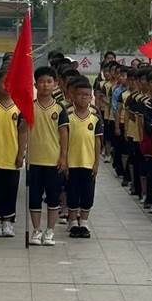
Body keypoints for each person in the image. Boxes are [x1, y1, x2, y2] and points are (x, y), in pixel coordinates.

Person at [0, 71, 28, 237]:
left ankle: (8, 221)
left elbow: (22, 132)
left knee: (11, 189)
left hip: (12, 157)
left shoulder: (19, 107)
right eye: (4, 83)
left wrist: (21, 154)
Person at [28, 66, 69, 246]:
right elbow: (22, 131)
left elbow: (64, 134)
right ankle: (36, 230)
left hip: (53, 160)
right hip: (34, 160)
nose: (45, 85)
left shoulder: (59, 109)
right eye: (41, 82)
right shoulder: (29, 107)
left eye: (49, 82)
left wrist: (63, 157)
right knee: (34, 198)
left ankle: (50, 231)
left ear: (55, 84)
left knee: (53, 197)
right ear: (35, 84)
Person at [65, 76, 103, 238]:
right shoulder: (68, 116)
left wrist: (96, 163)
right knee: (72, 192)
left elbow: (97, 142)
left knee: (87, 193)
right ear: (73, 96)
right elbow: (63, 140)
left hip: (88, 162)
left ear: (91, 97)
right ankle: (73, 221)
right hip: (72, 162)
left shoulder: (95, 117)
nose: (83, 98)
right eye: (80, 94)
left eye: (87, 95)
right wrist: (64, 161)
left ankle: (84, 221)